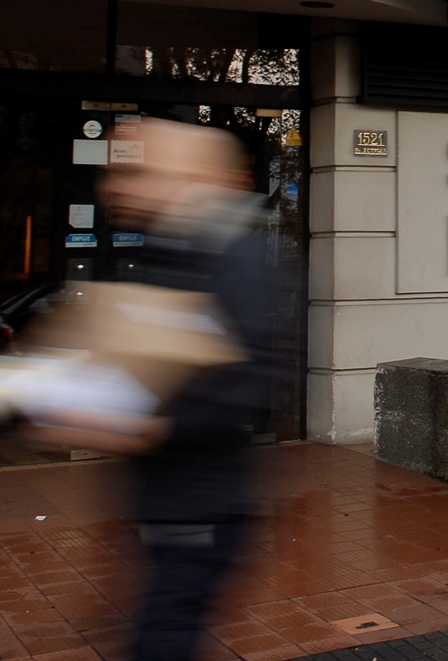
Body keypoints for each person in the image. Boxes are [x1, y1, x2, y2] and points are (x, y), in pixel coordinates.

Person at [33, 117, 273, 661]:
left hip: (201, 507)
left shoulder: (230, 261)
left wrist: (144, 424)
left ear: (190, 176)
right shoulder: (175, 250)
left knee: (162, 638)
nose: (115, 187)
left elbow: (242, 383)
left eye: (139, 171)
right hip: (166, 501)